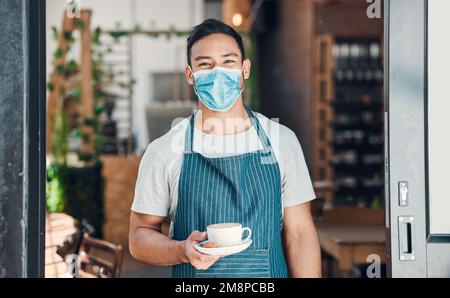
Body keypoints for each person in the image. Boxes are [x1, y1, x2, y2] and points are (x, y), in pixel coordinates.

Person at [129, 19, 321, 278]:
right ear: (190, 75)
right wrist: (181, 251)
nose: (217, 72)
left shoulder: (281, 141)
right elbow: (139, 237)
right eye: (205, 64)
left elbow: (300, 234)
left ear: (245, 69)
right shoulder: (165, 150)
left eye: (228, 62)